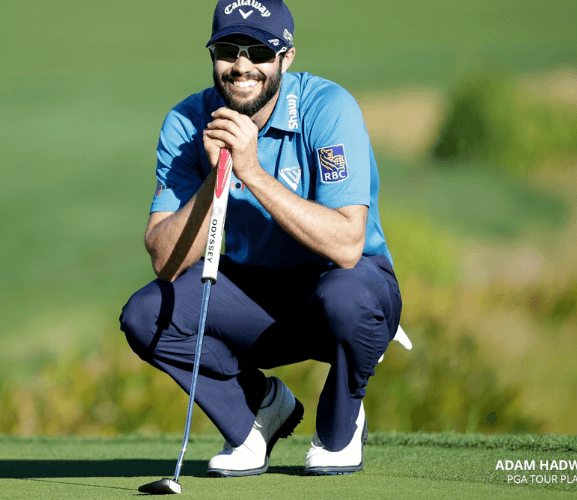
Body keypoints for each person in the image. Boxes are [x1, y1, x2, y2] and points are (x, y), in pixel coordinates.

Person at [120, 0, 402, 477]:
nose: (242, 65)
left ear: (286, 57)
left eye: (259, 51)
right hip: (255, 294)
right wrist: (215, 182)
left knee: (346, 298)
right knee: (148, 316)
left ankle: (342, 421)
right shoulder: (187, 123)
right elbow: (165, 263)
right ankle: (257, 412)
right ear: (213, 56)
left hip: (342, 285)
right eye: (228, 50)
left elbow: (348, 244)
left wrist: (249, 170)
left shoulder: (328, 109)